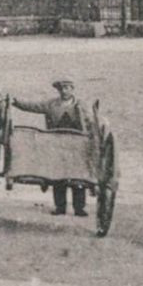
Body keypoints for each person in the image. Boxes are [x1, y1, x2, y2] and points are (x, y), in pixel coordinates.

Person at [13, 79, 89, 216]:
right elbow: (34, 106)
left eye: (67, 88)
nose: (64, 91)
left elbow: (90, 121)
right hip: (56, 144)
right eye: (61, 88)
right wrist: (17, 103)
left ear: (72, 89)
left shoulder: (81, 105)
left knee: (78, 178)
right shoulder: (51, 104)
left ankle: (79, 208)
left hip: (76, 145)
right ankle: (60, 207)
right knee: (57, 177)